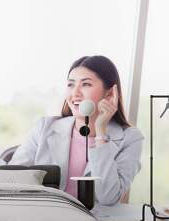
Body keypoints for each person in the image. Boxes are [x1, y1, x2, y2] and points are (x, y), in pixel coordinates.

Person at [9, 55, 144, 205]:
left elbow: (108, 197)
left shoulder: (131, 138)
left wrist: (100, 133)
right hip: (46, 217)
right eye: (71, 85)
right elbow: (11, 180)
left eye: (86, 84)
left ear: (110, 93)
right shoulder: (44, 128)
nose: (75, 93)